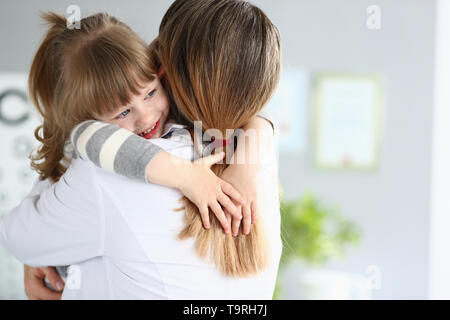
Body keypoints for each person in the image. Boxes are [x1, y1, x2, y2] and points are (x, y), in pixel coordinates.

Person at [1, 0, 281, 299]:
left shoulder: (104, 173)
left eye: (150, 92)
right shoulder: (256, 157)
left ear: (163, 69)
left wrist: (37, 253)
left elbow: (16, 236)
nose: (145, 117)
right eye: (121, 112)